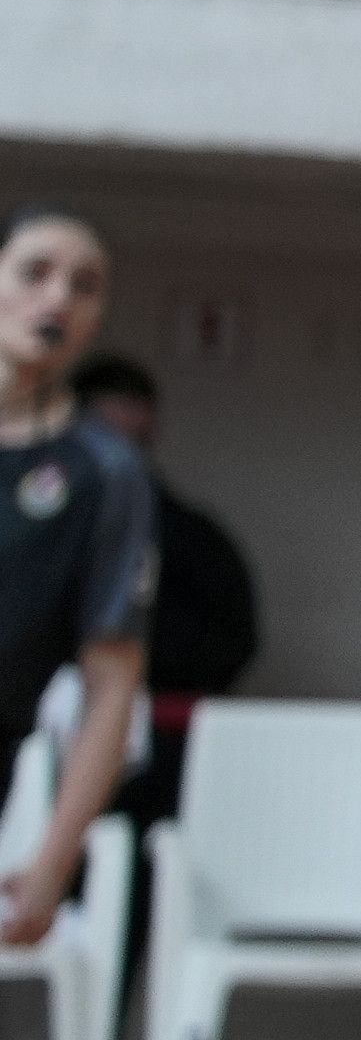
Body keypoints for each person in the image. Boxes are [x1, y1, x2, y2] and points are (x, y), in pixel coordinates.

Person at [0, 220, 165, 981]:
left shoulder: (105, 472)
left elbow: (111, 683)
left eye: (84, 284)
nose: (57, 296)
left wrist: (53, 860)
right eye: (35, 271)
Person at [52, 347, 249, 828]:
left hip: (161, 748)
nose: (117, 454)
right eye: (103, 434)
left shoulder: (191, 537)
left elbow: (233, 637)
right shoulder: (41, 524)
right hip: (43, 737)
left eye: (131, 437)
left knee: (145, 861)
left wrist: (144, 687)